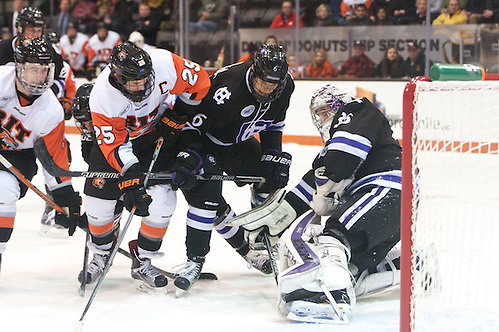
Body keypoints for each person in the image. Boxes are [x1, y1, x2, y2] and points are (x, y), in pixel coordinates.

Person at [226, 84, 401, 323]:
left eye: (327, 110)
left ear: (341, 105)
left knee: (331, 239)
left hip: (386, 189)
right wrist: (275, 223)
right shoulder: (326, 155)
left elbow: (344, 157)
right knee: (352, 267)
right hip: (389, 203)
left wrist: (327, 185)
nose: (323, 118)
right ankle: (404, 266)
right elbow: (304, 193)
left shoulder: (358, 109)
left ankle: (328, 297)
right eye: (318, 114)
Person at [78, 41, 211, 289]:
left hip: (155, 136)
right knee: (98, 207)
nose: (140, 86)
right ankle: (101, 252)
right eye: (132, 81)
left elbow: (200, 81)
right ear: (117, 77)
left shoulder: (164, 63)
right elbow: (115, 145)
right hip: (118, 145)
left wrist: (180, 111)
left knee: (162, 201)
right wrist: (131, 176)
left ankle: (144, 258)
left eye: (143, 79)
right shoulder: (102, 96)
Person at [172, 43, 294, 296]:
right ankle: (195, 260)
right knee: (207, 201)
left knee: (270, 177)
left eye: (273, 84)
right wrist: (189, 155)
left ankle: (260, 233)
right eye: (262, 82)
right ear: (253, 71)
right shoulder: (227, 90)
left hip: (237, 143)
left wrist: (273, 155)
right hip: (203, 143)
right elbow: (191, 126)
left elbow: (273, 125)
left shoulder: (286, 85)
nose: (267, 89)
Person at [0, 37, 82, 272]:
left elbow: (54, 158)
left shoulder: (51, 110)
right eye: (33, 70)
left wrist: (64, 197)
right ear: (18, 67)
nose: (39, 78)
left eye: (45, 71)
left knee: (3, 191)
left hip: (17, 158)